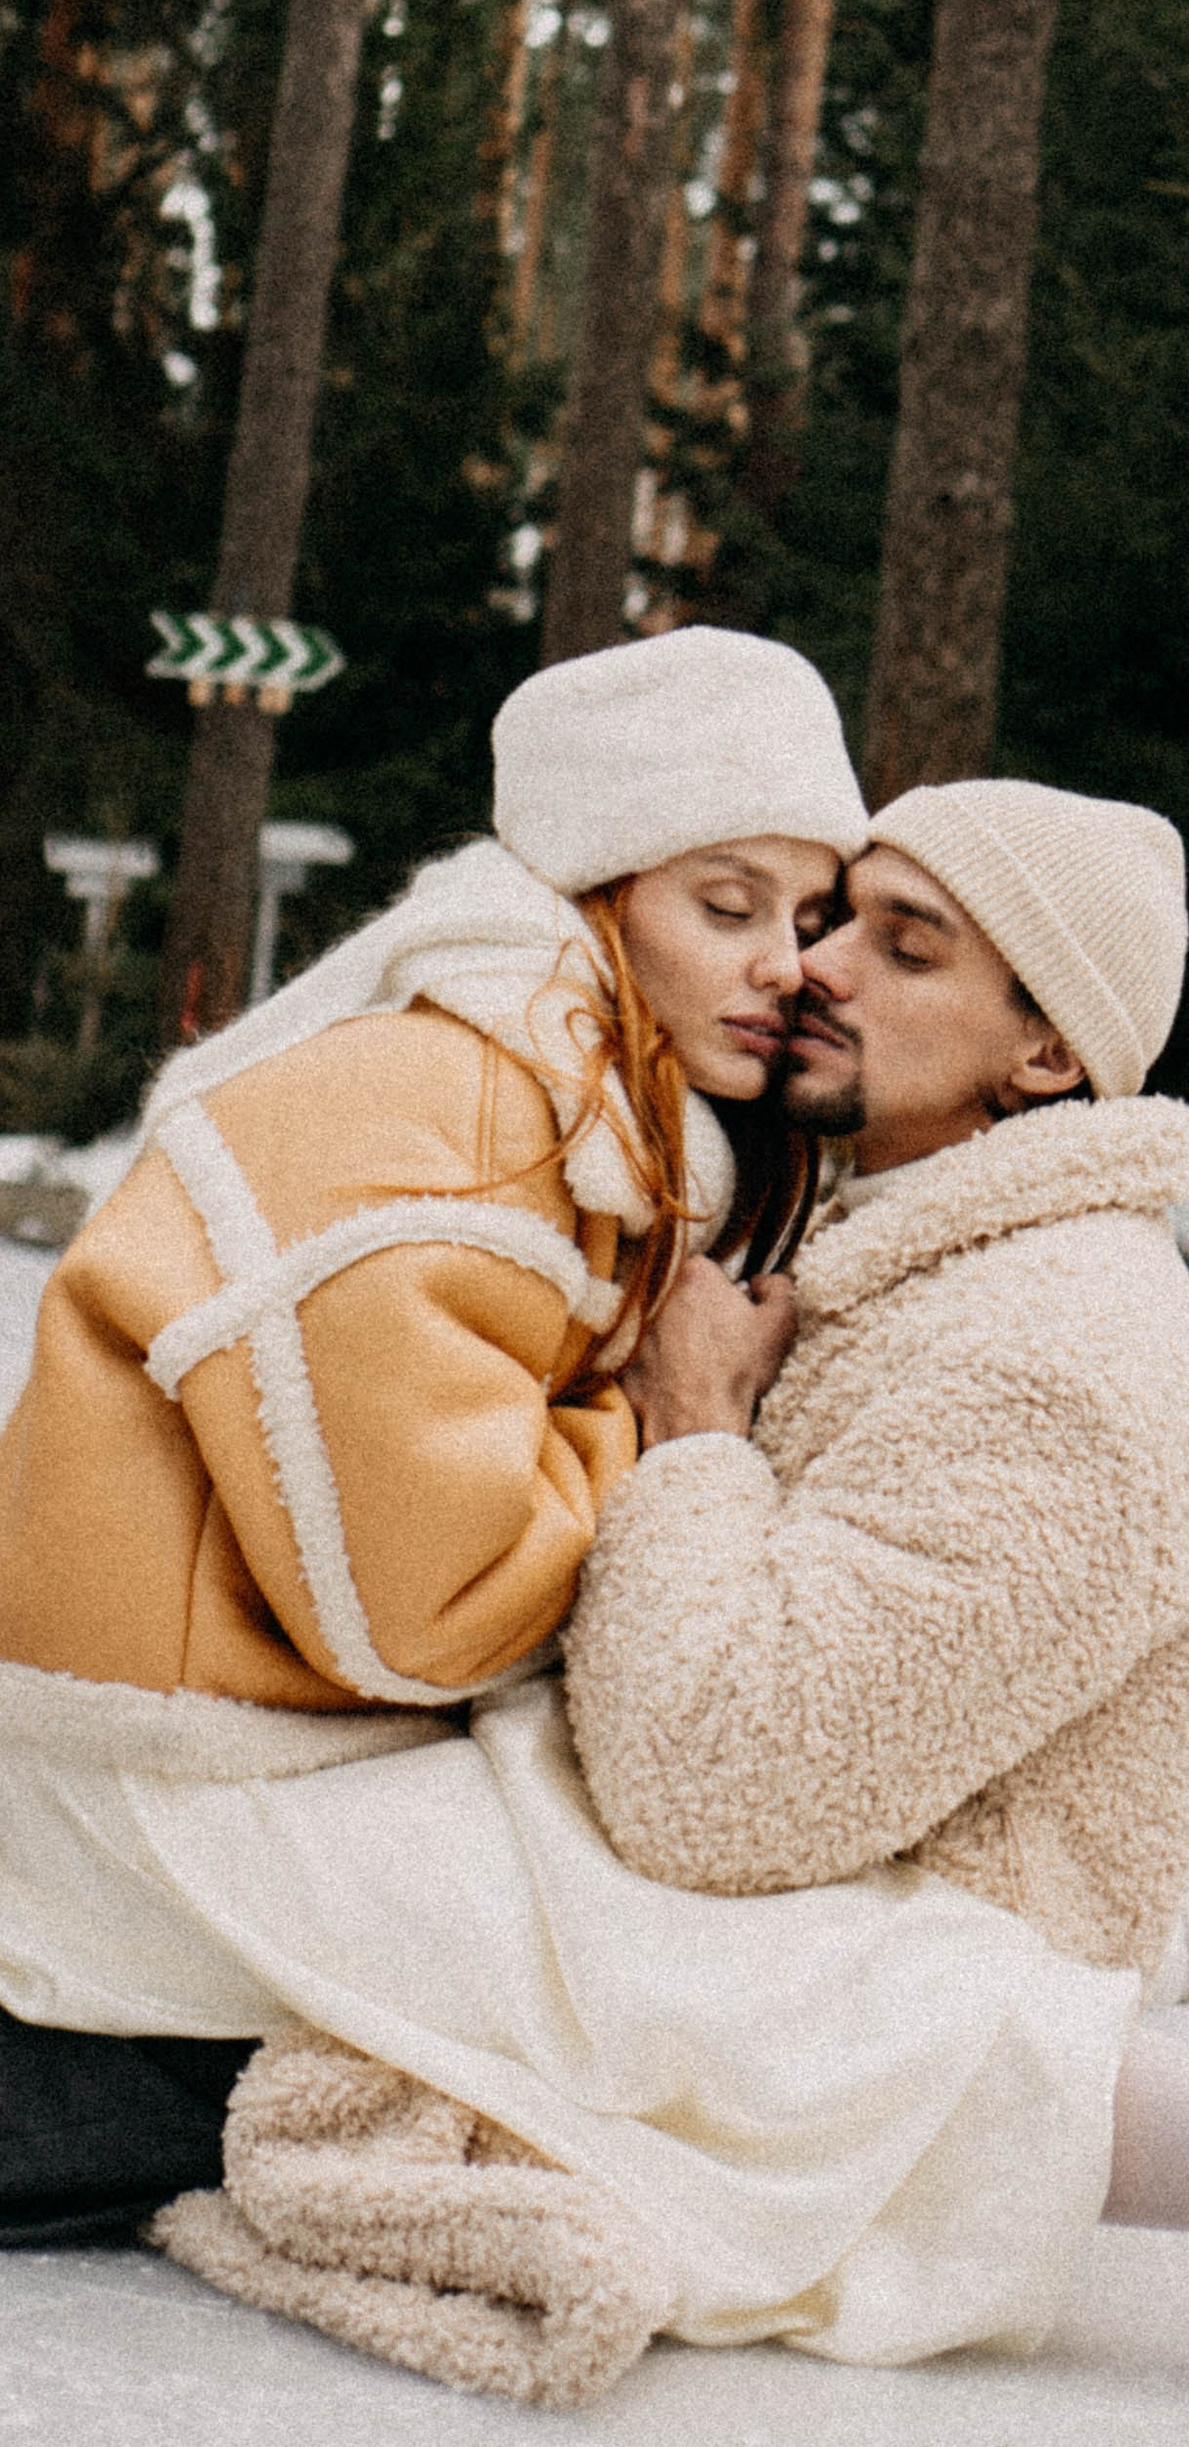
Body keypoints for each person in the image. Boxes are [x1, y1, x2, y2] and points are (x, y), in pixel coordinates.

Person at [114, 779, 1189, 2407]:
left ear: (1049, 1049)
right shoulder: (917, 1253)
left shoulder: (1055, 1359)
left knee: (319, 1862)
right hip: (864, 1841)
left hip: (899, 1930)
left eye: (905, 950)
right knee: (311, 1828)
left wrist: (696, 1431)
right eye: (839, 920)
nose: (816, 965)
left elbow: (711, 1788)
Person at [0, 624, 866, 2251]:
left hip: (254, 1734)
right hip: (167, 1781)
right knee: (678, 1983)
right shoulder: (463, 1108)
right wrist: (681, 1425)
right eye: (725, 903)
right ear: (601, 898)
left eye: (810, 918)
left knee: (707, 1930)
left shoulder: (583, 1113)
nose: (785, 966)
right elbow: (435, 1604)